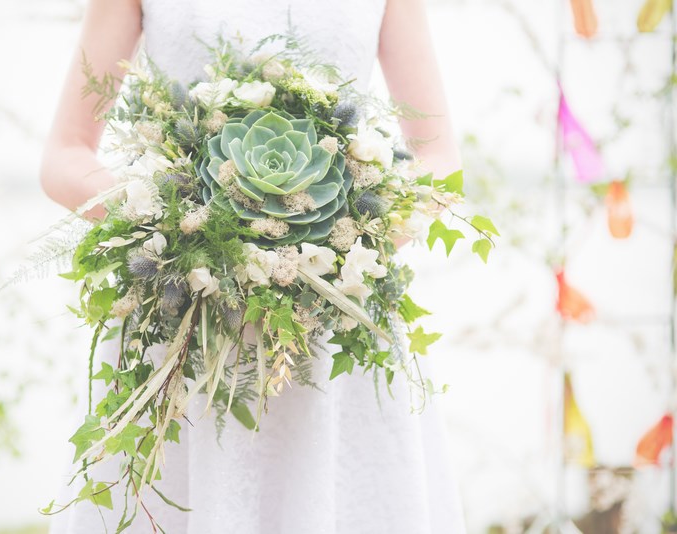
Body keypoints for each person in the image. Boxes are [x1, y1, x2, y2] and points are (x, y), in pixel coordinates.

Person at [41, 1, 466, 533]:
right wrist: (173, 221)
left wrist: (342, 251)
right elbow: (64, 154)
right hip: (182, 313)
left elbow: (440, 162)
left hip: (334, 322)